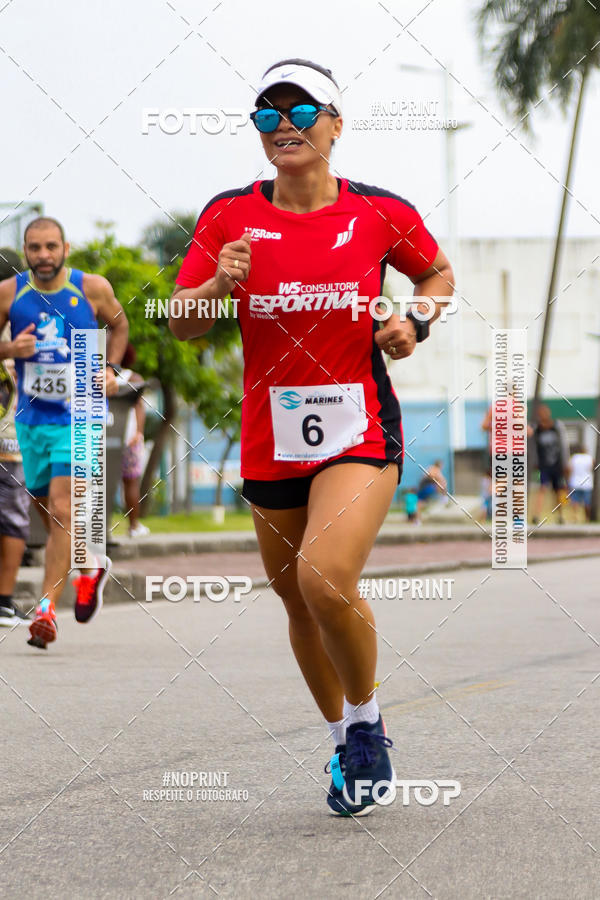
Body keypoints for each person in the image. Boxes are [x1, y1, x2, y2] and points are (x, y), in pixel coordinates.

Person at [170, 58, 454, 816]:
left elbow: (437, 278)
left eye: (301, 111)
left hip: (360, 425)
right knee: (298, 602)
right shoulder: (228, 215)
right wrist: (213, 286)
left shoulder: (378, 212)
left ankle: (367, 728)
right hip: (270, 439)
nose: (285, 125)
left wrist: (412, 323)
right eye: (268, 115)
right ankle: (341, 741)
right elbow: (181, 321)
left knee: (325, 577)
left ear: (336, 122)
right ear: (258, 134)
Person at [0, 217, 129, 648]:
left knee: (60, 509)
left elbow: (120, 323)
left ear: (65, 248)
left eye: (50, 246)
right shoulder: (10, 293)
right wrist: (9, 349)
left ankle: (47, 609)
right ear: (25, 250)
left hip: (83, 412)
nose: (43, 256)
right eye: (34, 248)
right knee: (47, 506)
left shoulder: (90, 287)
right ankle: (89, 562)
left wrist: (109, 368)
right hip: (32, 418)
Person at [0, 355, 32, 626]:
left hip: (12, 435)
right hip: (9, 436)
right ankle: (3, 603)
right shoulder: (22, 315)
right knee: (14, 519)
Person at [116, 344, 150, 538]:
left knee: (100, 483)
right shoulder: (134, 379)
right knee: (131, 483)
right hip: (130, 438)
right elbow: (139, 408)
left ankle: (99, 529)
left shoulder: (100, 377)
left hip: (105, 437)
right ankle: (133, 526)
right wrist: (138, 432)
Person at [530, 404, 569, 524]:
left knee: (558, 491)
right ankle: (536, 515)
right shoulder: (537, 430)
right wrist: (535, 462)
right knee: (542, 488)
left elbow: (564, 445)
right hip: (543, 465)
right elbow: (533, 447)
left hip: (557, 464)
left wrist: (565, 463)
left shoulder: (557, 427)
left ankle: (561, 516)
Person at [567, 443, 593, 521]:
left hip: (575, 482)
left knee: (575, 501)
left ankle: (575, 517)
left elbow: (569, 469)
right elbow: (591, 468)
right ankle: (587, 517)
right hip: (587, 483)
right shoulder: (589, 458)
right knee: (587, 502)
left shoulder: (574, 458)